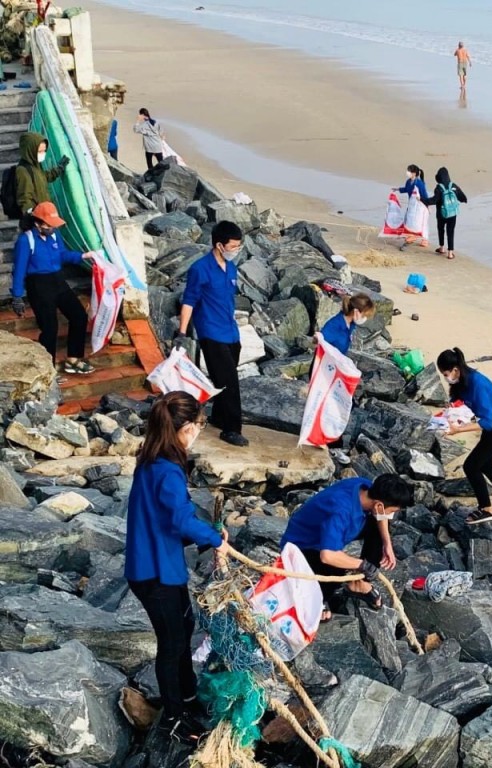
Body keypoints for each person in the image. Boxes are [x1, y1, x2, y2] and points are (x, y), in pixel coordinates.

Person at [124, 392, 229, 744]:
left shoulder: (151, 460)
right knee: (171, 642)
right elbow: (181, 519)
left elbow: (167, 519)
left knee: (183, 627)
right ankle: (174, 716)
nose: (200, 430)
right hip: (155, 571)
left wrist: (209, 534)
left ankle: (187, 696)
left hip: (156, 563)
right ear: (184, 427)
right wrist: (216, 540)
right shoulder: (167, 470)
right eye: (199, 424)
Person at [279, 474, 414, 617]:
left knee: (376, 529)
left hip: (337, 530)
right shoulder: (340, 510)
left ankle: (359, 582)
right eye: (392, 511)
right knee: (336, 569)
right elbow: (328, 555)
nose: (390, 515)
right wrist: (362, 565)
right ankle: (317, 600)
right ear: (379, 505)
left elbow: (380, 516)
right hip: (303, 546)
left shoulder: (365, 487)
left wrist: (387, 543)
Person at [177, 221, 248, 447]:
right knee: (230, 382)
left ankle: (218, 416)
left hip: (231, 332)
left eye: (239, 245)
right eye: (234, 246)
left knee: (223, 379)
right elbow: (189, 301)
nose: (236, 250)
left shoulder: (231, 268)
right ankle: (231, 428)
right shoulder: (200, 269)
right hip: (211, 332)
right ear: (219, 245)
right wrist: (182, 332)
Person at [10, 202, 99, 372]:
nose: (52, 228)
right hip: (39, 285)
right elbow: (19, 269)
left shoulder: (54, 235)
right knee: (50, 328)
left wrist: (83, 256)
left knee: (79, 316)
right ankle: (48, 369)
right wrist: (17, 296)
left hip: (58, 280)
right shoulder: (26, 240)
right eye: (49, 225)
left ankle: (73, 359)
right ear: (38, 223)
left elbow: (62, 255)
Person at [437, 347, 492, 525]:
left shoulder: (477, 383)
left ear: (455, 370)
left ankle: (486, 509)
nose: (446, 378)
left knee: (471, 466)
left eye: (446, 374)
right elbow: (460, 403)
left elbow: (488, 422)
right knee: (486, 463)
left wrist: (459, 429)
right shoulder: (461, 380)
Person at [14, 131, 69, 216]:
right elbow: (24, 196)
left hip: (46, 213)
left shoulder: (36, 165)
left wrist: (58, 169)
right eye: (39, 151)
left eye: (44, 151)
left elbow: (44, 177)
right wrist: (32, 215)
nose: (43, 154)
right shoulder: (23, 170)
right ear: (30, 150)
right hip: (39, 218)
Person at [423, 167, 467, 260]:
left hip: (441, 214)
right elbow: (462, 196)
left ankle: (442, 248)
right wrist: (464, 200)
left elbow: (434, 200)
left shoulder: (439, 188)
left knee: (441, 229)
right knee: (450, 232)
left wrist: (423, 200)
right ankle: (450, 253)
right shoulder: (453, 185)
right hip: (452, 214)